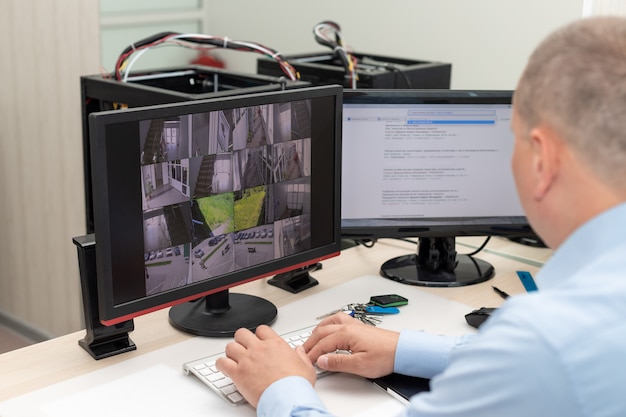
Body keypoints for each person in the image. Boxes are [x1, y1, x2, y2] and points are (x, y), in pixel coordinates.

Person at [216, 16, 626, 416]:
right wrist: (405, 350)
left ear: (544, 160)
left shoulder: (545, 341)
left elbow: (534, 359)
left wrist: (280, 389)